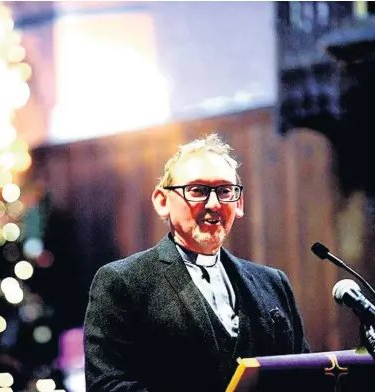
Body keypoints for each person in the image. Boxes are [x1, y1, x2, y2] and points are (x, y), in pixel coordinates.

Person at [84, 133, 310, 392]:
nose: (214, 204)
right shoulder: (122, 282)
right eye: (198, 190)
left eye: (225, 191)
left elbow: (303, 374)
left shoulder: (273, 283)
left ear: (239, 203)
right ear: (162, 201)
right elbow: (107, 386)